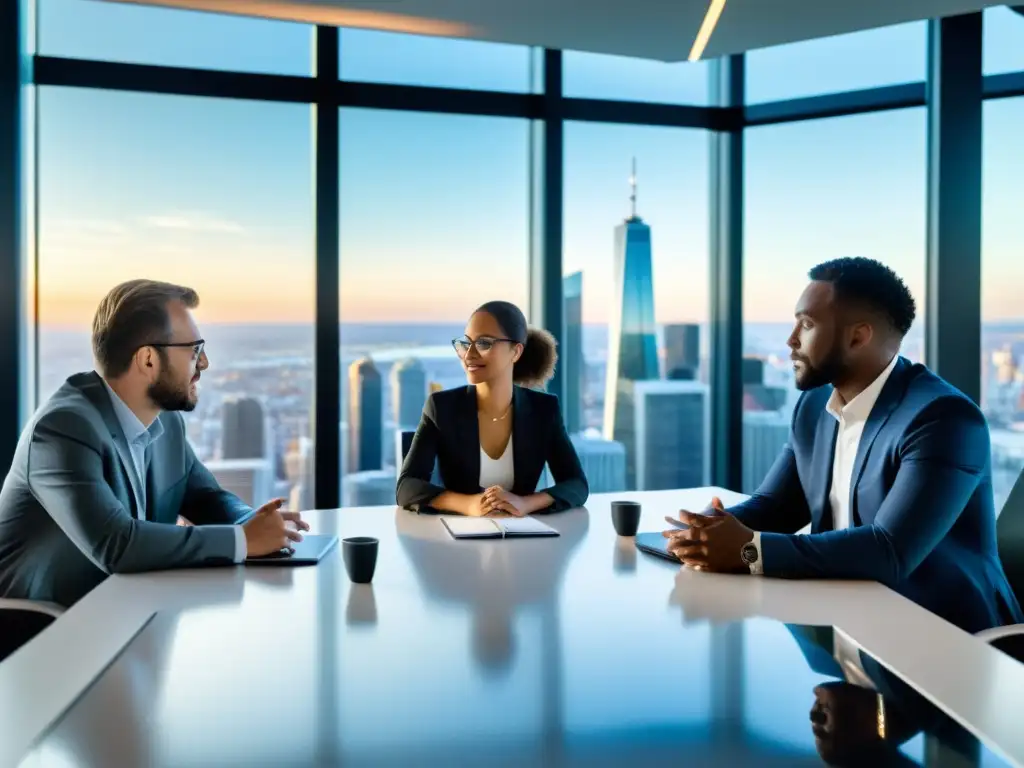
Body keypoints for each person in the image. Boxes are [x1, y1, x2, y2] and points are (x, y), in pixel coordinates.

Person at [663, 257, 1024, 634]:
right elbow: (776, 506)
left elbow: (888, 552)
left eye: (806, 324)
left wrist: (748, 550)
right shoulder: (814, 405)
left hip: (947, 636)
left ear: (858, 337)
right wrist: (706, 531)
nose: (791, 340)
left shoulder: (943, 419)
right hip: (846, 619)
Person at [0, 279, 309, 607]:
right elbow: (116, 545)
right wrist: (242, 541)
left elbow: (206, 498)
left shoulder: (166, 421)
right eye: (194, 350)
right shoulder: (63, 429)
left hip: (125, 614)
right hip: (43, 633)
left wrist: (252, 522)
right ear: (148, 360)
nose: (203, 363)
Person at [396, 300, 588, 516]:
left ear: (515, 352)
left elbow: (577, 484)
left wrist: (525, 503)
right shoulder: (441, 407)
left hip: (524, 538)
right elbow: (406, 487)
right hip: (458, 540)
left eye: (484, 343)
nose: (469, 355)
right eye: (465, 343)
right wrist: (468, 504)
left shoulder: (543, 409)